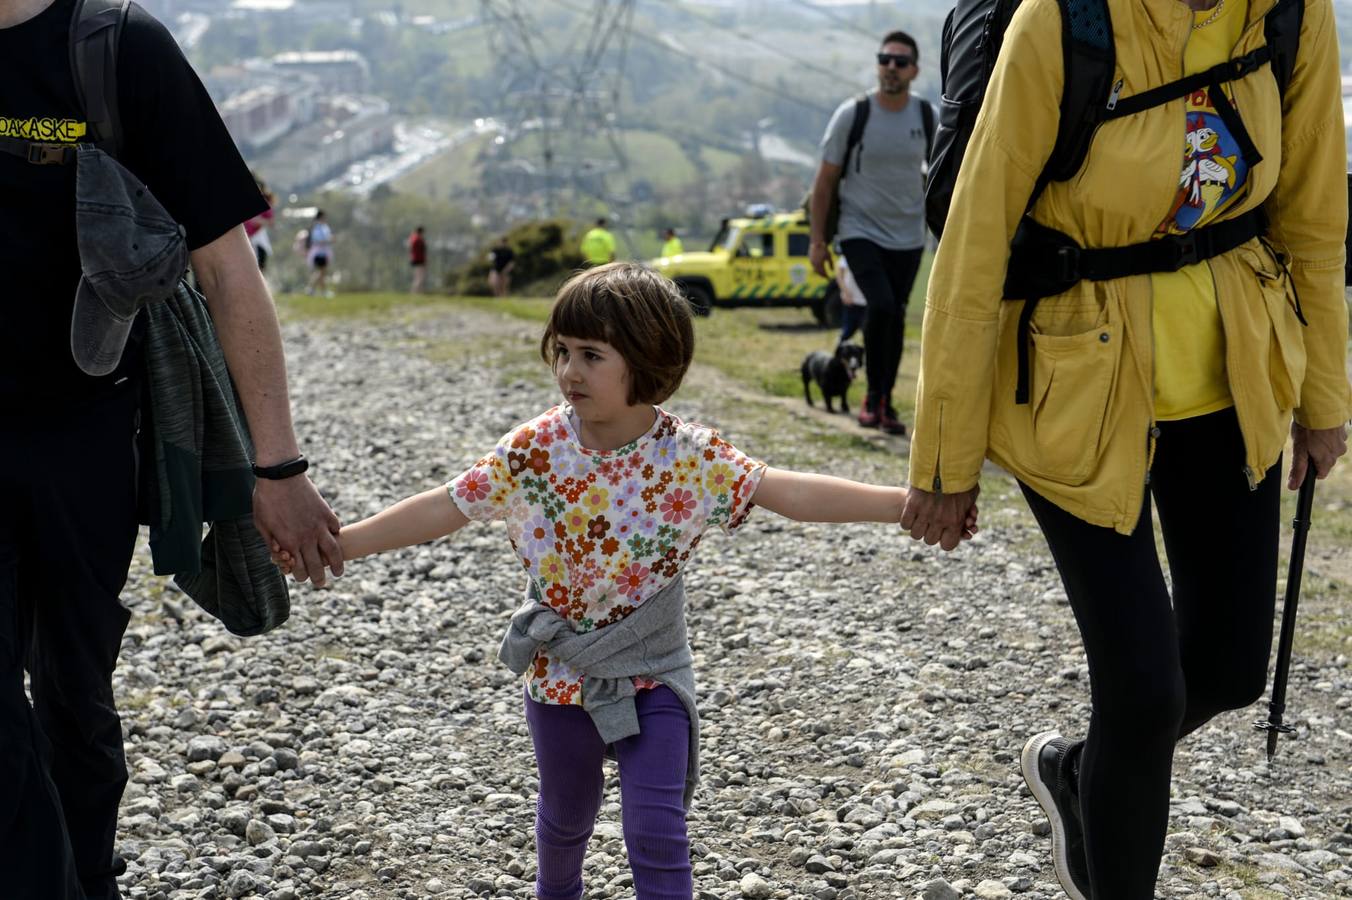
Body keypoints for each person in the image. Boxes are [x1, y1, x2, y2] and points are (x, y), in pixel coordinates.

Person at [275, 262, 977, 900]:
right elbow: (446, 506)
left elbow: (790, 492)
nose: (568, 372)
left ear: (647, 362)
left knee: (656, 831)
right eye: (562, 352)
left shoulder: (691, 457)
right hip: (559, 676)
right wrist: (343, 543)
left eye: (590, 355)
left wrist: (902, 505)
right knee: (563, 824)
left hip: (653, 674)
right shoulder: (534, 448)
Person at [901, 1, 1351, 898]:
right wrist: (943, 461)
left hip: (1235, 370)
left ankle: (1080, 773)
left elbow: (1313, 215)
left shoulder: (1292, 13)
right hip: (1075, 382)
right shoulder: (1061, 21)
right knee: (1144, 693)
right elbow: (976, 237)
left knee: (1225, 670)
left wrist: (1324, 398)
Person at [0, 0, 343, 897]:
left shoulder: (116, 49)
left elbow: (229, 268)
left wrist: (278, 469)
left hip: (87, 433)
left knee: (74, 689)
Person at [808, 30, 933, 436]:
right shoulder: (854, 114)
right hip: (859, 231)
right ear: (878, 64)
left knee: (895, 317)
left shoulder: (927, 117)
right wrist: (818, 241)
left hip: (909, 238)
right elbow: (825, 181)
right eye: (885, 59)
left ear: (914, 70)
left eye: (900, 61)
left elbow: (945, 176)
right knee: (880, 305)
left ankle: (884, 399)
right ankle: (872, 396)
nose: (891, 67)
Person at [834, 249, 867, 345]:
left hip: (867, 301)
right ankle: (839, 353)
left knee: (868, 331)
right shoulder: (849, 254)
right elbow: (839, 274)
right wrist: (845, 292)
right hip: (852, 300)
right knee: (847, 331)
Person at [244, 175, 275, 273]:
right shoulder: (244, 201)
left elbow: (271, 222)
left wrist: (258, 220)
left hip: (258, 237)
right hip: (244, 238)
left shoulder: (263, 203)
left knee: (260, 266)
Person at [306, 209, 333, 296]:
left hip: (324, 252)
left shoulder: (324, 227)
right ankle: (318, 290)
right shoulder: (317, 228)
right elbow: (317, 240)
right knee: (321, 272)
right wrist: (328, 240)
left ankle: (313, 290)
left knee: (321, 273)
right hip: (318, 253)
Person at [408, 225, 428, 294]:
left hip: (416, 260)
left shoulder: (414, 238)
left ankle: (418, 292)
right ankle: (415, 292)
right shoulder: (417, 239)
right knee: (419, 277)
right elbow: (420, 251)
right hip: (419, 260)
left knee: (418, 277)